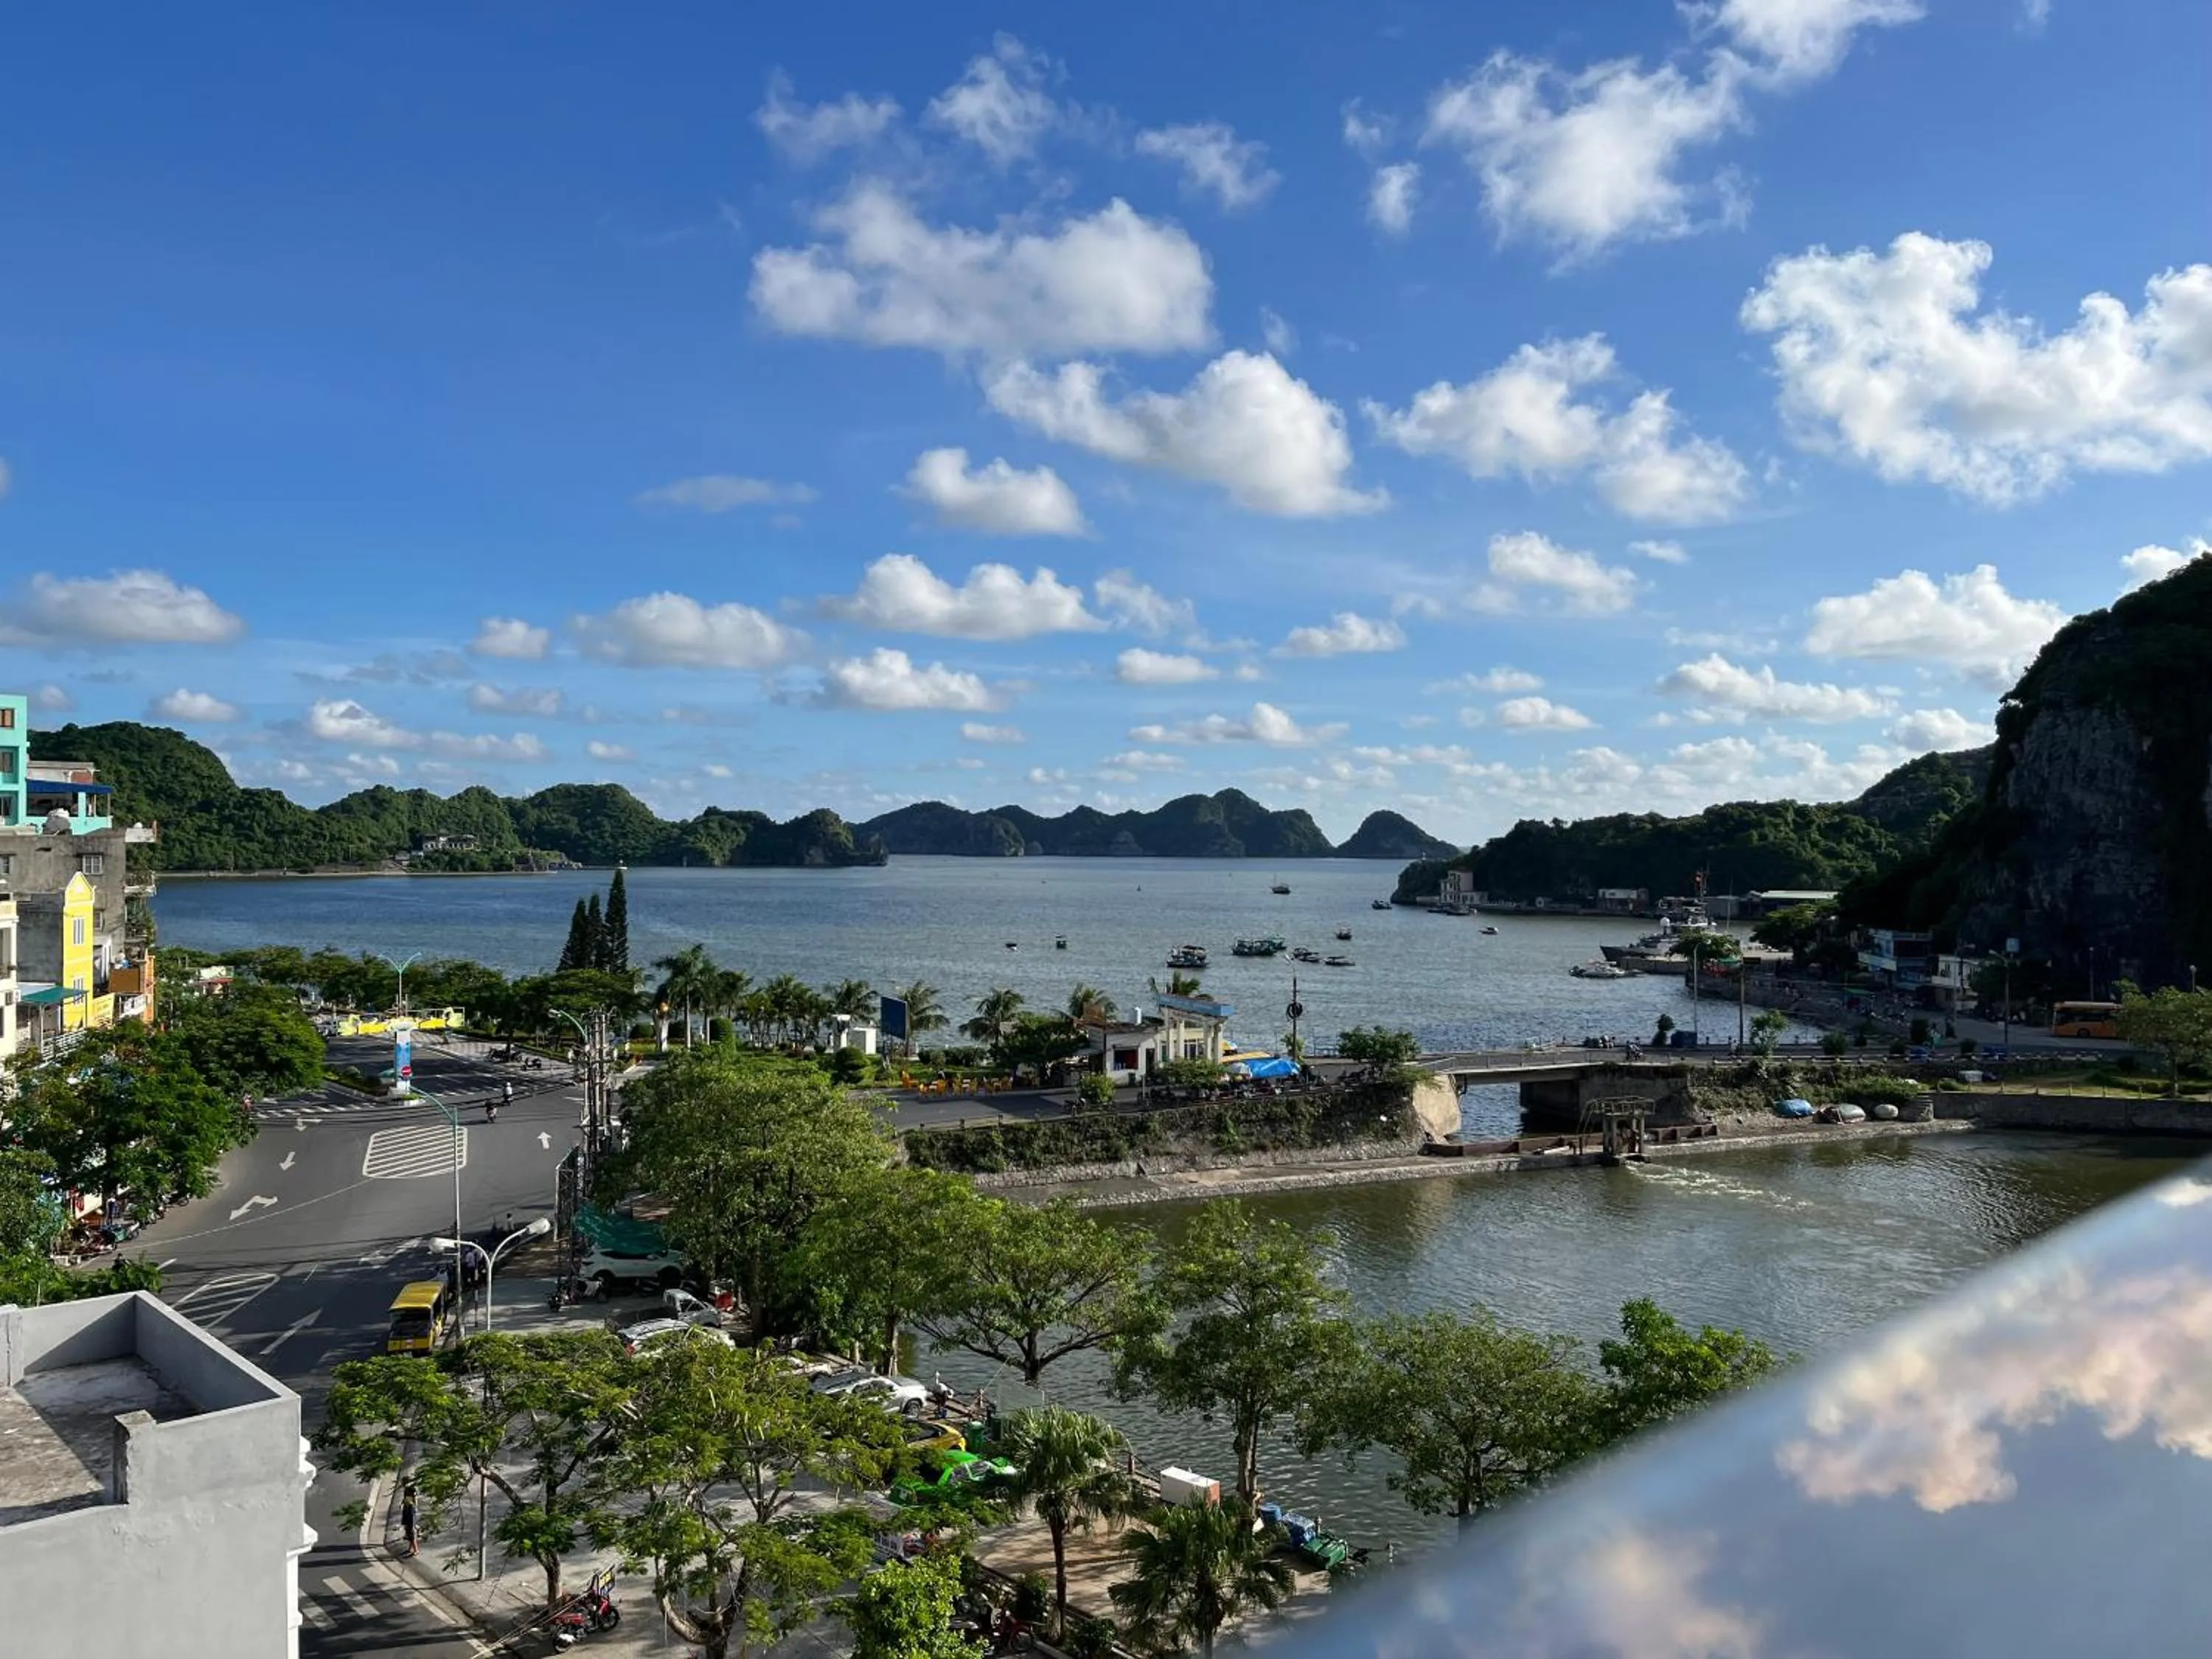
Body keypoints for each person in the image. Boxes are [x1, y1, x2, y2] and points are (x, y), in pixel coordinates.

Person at [400, 1484, 420, 1557]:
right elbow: (405, 1499)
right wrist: (402, 1504)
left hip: (411, 1510)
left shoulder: (412, 1490)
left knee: (411, 1530)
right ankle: (411, 1548)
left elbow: (415, 1499)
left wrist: (415, 1507)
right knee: (407, 1529)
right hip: (406, 1510)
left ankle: (416, 1549)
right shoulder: (406, 1490)